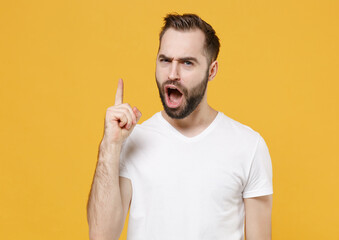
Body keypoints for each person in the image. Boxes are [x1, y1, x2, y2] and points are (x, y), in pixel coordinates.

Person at [87, 13, 273, 240]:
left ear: (211, 71)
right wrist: (110, 145)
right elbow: (101, 236)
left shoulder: (248, 146)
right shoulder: (132, 140)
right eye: (165, 60)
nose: (172, 74)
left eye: (187, 63)